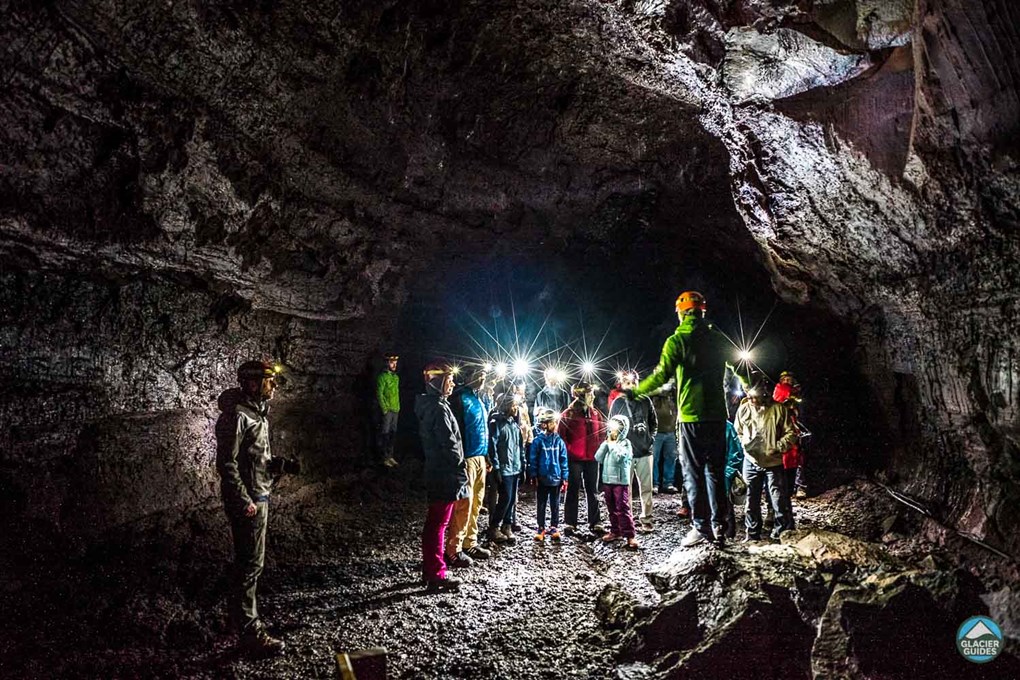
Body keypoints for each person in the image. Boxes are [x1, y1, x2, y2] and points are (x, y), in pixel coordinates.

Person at [629, 291, 743, 547]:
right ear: (703, 311)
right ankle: (720, 526)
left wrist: (636, 391)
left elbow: (661, 376)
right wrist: (756, 384)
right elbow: (741, 367)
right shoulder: (718, 338)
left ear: (681, 313)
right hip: (717, 416)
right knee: (715, 471)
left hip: (691, 416)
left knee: (693, 473)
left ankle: (701, 526)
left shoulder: (677, 340)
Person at [216, 360, 300, 656]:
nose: (273, 386)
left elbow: (252, 459)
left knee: (250, 563)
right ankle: (250, 633)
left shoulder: (257, 414)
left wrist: (278, 465)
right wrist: (243, 500)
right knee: (250, 565)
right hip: (251, 500)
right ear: (252, 383)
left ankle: (238, 619)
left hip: (259, 493)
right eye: (268, 381)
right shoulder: (237, 416)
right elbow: (227, 463)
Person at [414, 360, 469, 592]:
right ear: (439, 382)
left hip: (437, 471)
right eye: (449, 379)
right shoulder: (438, 408)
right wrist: (460, 465)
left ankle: (430, 569)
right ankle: (437, 574)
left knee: (436, 522)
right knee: (439, 523)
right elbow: (449, 444)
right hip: (444, 473)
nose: (452, 383)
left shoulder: (430, 405)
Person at [735, 379, 798, 541]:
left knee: (778, 500)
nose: (752, 400)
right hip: (751, 461)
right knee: (751, 500)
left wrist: (777, 446)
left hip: (773, 462)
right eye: (749, 397)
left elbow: (791, 433)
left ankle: (782, 533)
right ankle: (752, 534)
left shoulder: (778, 410)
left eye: (755, 397)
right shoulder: (744, 409)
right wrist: (745, 444)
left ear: (764, 394)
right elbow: (738, 432)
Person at [447, 366, 493, 566]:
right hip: (466, 458)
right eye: (479, 375)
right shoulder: (459, 400)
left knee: (477, 502)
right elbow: (455, 433)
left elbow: (482, 429)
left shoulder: (478, 399)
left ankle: (469, 542)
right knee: (464, 504)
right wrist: (458, 459)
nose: (482, 379)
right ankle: (454, 549)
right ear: (468, 377)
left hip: (479, 456)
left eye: (483, 376)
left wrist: (487, 455)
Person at [609, 370, 658, 533]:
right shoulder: (617, 403)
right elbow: (611, 427)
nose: (630, 386)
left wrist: (650, 439)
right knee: (625, 490)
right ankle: (627, 522)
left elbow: (653, 422)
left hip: (645, 452)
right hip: (625, 454)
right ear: (622, 385)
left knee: (646, 488)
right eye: (627, 383)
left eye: (633, 382)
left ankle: (647, 519)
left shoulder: (645, 400)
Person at [557, 382, 605, 536]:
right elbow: (561, 436)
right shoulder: (568, 414)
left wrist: (599, 448)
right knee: (573, 490)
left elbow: (603, 431)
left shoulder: (595, 413)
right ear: (583, 395)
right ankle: (570, 522)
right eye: (590, 393)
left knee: (593, 490)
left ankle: (595, 522)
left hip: (592, 458)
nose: (593, 396)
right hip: (574, 459)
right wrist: (569, 451)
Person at [595, 414, 639, 550]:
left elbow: (619, 458)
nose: (612, 431)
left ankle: (630, 535)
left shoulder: (626, 444)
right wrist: (606, 444)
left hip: (620, 481)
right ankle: (615, 531)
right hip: (607, 480)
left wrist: (612, 444)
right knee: (611, 508)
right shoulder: (608, 442)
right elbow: (598, 457)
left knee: (622, 508)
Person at [487, 392, 526, 544]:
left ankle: (507, 525)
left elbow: (519, 446)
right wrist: (496, 467)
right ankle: (494, 526)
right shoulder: (496, 423)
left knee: (511, 499)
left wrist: (523, 465)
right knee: (506, 498)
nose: (516, 408)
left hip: (515, 467)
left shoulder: (514, 424)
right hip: (504, 468)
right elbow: (493, 446)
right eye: (513, 405)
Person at [528, 409, 569, 541]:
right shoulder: (537, 441)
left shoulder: (559, 441)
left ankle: (554, 526)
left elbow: (563, 460)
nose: (555, 425)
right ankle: (541, 527)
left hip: (556, 478)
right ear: (544, 424)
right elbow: (533, 460)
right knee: (541, 503)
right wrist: (534, 475)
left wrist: (565, 477)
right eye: (553, 423)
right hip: (542, 478)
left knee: (555, 503)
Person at [773, 371, 807, 499]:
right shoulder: (779, 389)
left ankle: (800, 486)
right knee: (783, 457)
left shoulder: (798, 391)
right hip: (781, 428)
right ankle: (781, 486)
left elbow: (801, 408)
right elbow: (778, 401)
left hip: (795, 427)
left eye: (789, 379)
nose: (787, 381)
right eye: (785, 379)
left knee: (799, 457)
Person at [376, 353, 401, 468]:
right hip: (388, 410)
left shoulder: (396, 377)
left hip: (395, 409)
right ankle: (384, 457)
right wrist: (384, 409)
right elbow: (379, 393)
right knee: (385, 433)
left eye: (395, 363)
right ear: (386, 363)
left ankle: (390, 456)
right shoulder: (382, 377)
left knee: (393, 434)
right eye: (392, 362)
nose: (394, 364)